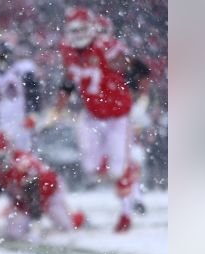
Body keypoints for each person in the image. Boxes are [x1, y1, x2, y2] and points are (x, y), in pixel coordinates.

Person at [55, 6, 148, 232]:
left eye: (81, 29)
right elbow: (68, 80)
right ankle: (125, 165)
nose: (77, 34)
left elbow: (140, 71)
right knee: (90, 167)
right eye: (73, 29)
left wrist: (141, 99)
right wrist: (57, 107)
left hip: (117, 117)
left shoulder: (107, 48)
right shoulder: (68, 49)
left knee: (117, 170)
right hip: (92, 115)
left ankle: (126, 212)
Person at [0, 130, 86, 242]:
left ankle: (81, 219)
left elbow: (34, 195)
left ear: (8, 152)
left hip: (49, 193)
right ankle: (29, 226)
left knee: (66, 226)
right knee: (13, 233)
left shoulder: (22, 165)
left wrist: (36, 224)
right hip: (22, 200)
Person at [0, 42, 41, 151]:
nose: (0, 61)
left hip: (21, 118)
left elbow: (33, 92)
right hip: (3, 120)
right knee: (5, 153)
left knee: (25, 152)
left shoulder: (22, 70)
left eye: (2, 57)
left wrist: (33, 113)